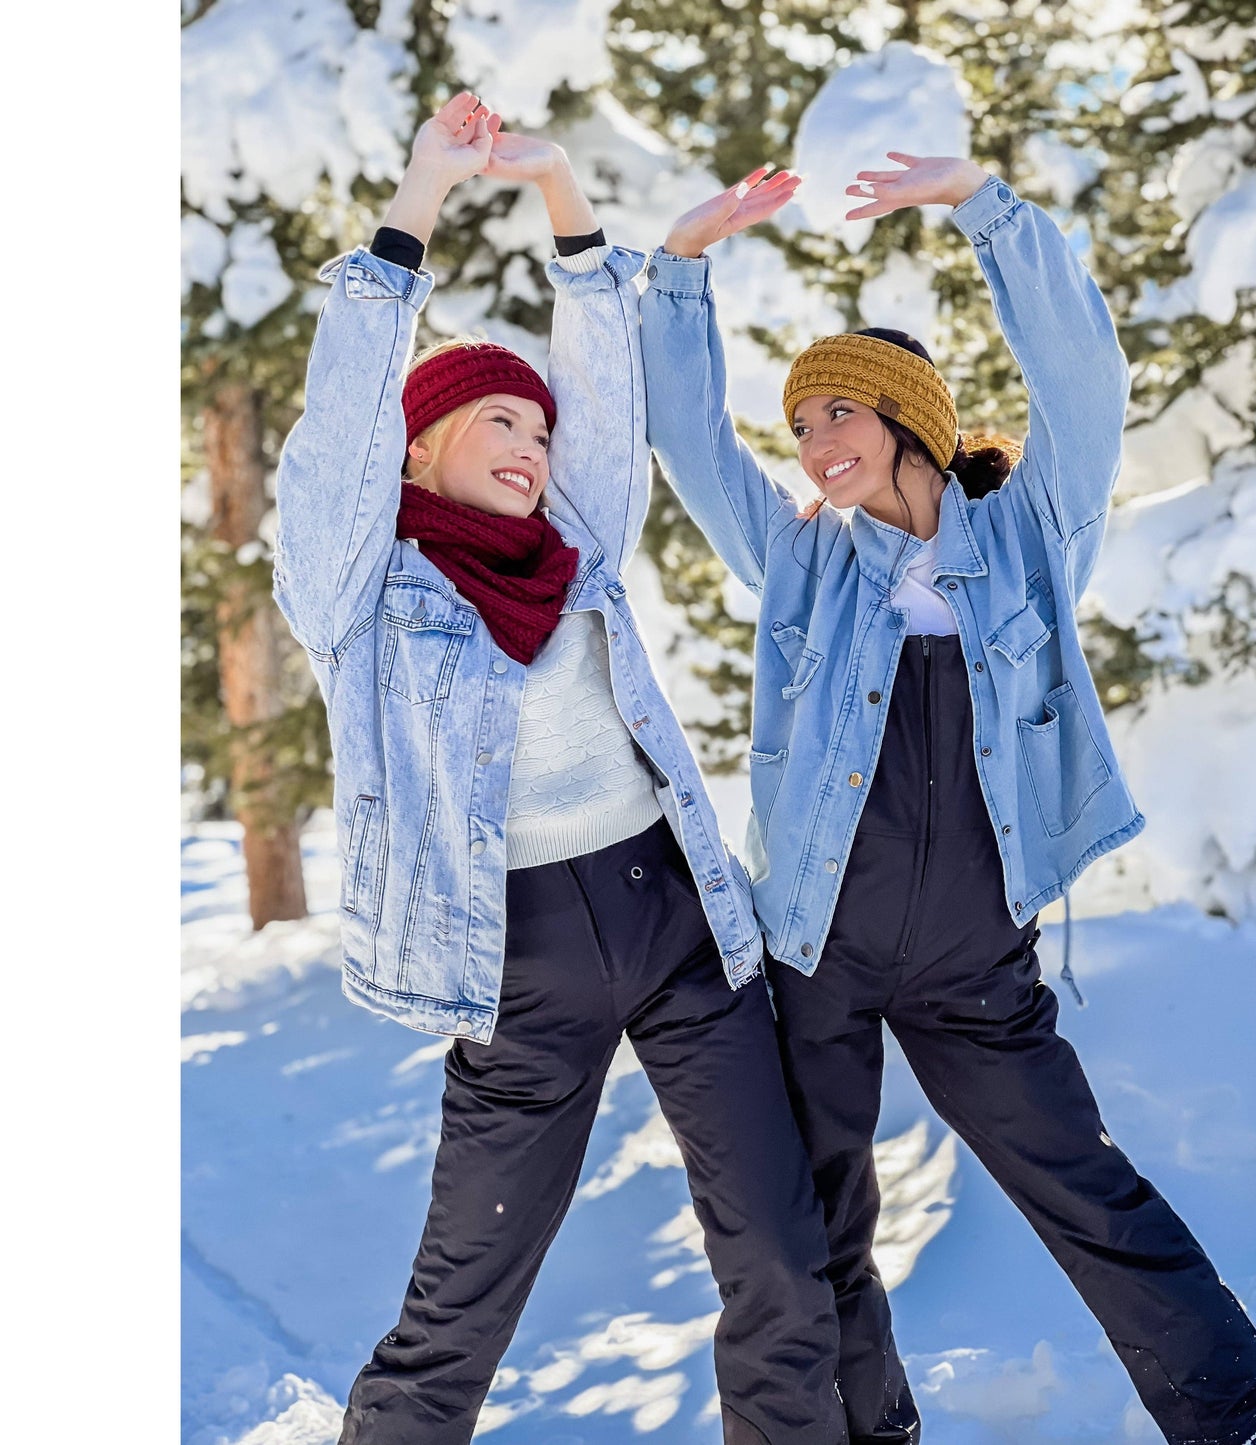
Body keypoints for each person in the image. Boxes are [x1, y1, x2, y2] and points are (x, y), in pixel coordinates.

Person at [638, 152, 1256, 1445]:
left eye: (838, 414)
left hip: (976, 957)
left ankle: (1235, 1413)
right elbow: (692, 440)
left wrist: (984, 204)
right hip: (817, 946)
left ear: (908, 419)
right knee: (823, 1218)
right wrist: (681, 265)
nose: (814, 445)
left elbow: (1084, 384)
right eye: (800, 426)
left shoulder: (1028, 536)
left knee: (1080, 1183)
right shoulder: (803, 561)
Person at [273, 93, 847, 1445]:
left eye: (540, 434)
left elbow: (602, 394)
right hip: (511, 957)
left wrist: (562, 194)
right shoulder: (356, 588)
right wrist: (420, 197)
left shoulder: (574, 548)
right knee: (463, 1299)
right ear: (420, 446)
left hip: (672, 916)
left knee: (777, 1251)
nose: (535, 447)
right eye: (501, 423)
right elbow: (340, 417)